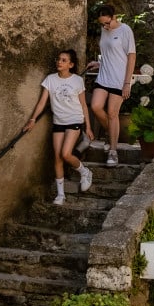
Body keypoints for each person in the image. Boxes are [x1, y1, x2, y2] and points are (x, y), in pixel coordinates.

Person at [22, 49, 93, 203]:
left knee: (66, 154)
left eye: (63, 60)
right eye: (58, 59)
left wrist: (88, 127)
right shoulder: (50, 79)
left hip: (74, 119)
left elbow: (83, 105)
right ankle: (61, 195)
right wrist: (32, 119)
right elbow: (42, 102)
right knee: (58, 157)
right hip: (58, 121)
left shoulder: (77, 80)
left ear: (71, 65)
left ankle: (85, 171)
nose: (59, 62)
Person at [89, 2, 136, 166]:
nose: (105, 27)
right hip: (103, 76)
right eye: (102, 24)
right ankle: (111, 134)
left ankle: (113, 151)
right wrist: (99, 63)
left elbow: (131, 57)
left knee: (112, 113)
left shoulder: (125, 30)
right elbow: (110, 53)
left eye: (107, 23)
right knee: (95, 106)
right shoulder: (104, 30)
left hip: (119, 79)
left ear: (114, 17)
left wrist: (127, 83)